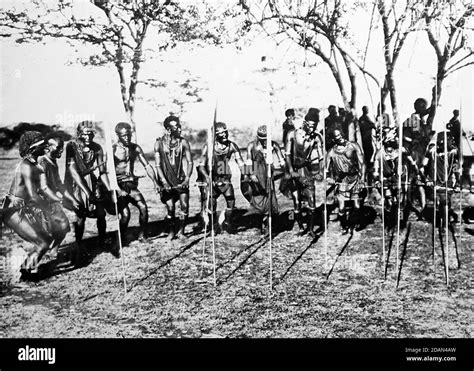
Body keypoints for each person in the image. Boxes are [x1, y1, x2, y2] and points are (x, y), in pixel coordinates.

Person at [1, 132, 66, 275]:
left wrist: (59, 200)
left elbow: (44, 188)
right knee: (42, 243)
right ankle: (24, 275)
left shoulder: (37, 165)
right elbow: (33, 195)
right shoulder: (26, 165)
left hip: (24, 208)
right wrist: (49, 212)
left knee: (46, 240)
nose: (46, 147)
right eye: (42, 145)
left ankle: (26, 270)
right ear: (32, 148)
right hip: (13, 210)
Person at [64, 121, 111, 244]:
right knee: (81, 216)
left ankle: (102, 239)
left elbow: (102, 172)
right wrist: (88, 193)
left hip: (92, 182)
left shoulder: (97, 148)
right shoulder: (72, 146)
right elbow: (73, 172)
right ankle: (78, 244)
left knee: (101, 213)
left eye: (91, 134)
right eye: (85, 134)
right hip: (77, 184)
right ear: (79, 134)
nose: (88, 137)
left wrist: (110, 189)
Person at [280, 108, 324, 236]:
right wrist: (290, 170)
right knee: (297, 201)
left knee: (311, 200)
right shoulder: (292, 134)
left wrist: (319, 171)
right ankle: (300, 227)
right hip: (294, 169)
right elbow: (287, 154)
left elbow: (320, 157)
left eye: (314, 126)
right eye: (310, 126)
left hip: (308, 170)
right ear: (305, 123)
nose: (312, 129)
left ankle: (310, 229)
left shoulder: (317, 137)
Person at [113, 122, 160, 242]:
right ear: (118, 135)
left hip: (131, 185)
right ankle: (121, 239)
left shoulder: (135, 148)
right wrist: (117, 189)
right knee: (125, 215)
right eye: (124, 136)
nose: (127, 138)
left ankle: (142, 235)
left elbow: (147, 166)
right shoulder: (113, 150)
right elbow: (107, 173)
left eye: (129, 135)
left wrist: (155, 182)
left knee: (143, 207)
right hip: (119, 185)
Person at [38, 133, 80, 258]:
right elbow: (44, 187)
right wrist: (60, 199)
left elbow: (59, 184)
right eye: (58, 147)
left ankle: (53, 250)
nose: (61, 150)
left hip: (51, 201)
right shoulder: (42, 163)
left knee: (64, 226)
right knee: (47, 232)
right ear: (48, 148)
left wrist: (72, 199)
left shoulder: (53, 162)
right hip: (40, 201)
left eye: (62, 147)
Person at [198, 122, 245, 234]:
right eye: (220, 133)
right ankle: (213, 226)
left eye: (225, 132)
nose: (224, 135)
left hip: (225, 178)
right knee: (211, 204)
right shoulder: (208, 147)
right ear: (215, 135)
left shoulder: (232, 146)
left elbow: (241, 163)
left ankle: (227, 223)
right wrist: (207, 178)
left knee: (231, 201)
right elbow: (201, 166)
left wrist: (247, 173)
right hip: (212, 179)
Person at [154, 115, 193, 239]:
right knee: (170, 208)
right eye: (177, 127)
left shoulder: (183, 142)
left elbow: (190, 162)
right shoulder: (158, 143)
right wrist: (164, 182)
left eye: (180, 126)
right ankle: (171, 231)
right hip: (166, 180)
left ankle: (181, 232)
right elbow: (157, 165)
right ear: (168, 129)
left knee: (184, 207)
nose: (180, 129)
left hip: (180, 179)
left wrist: (187, 178)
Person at [242, 125, 285, 235]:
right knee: (259, 199)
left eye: (267, 139)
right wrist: (251, 174)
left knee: (270, 197)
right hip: (257, 173)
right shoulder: (252, 145)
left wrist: (286, 168)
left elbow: (281, 159)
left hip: (269, 173)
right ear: (258, 137)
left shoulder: (274, 145)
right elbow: (248, 162)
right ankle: (259, 222)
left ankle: (268, 226)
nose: (266, 141)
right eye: (263, 139)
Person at [326, 129, 366, 232]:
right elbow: (325, 169)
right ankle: (344, 225)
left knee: (357, 205)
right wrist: (328, 178)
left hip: (354, 178)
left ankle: (356, 223)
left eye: (340, 134)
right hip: (342, 180)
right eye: (336, 136)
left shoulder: (353, 145)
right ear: (333, 139)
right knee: (342, 207)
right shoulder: (331, 152)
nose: (340, 137)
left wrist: (362, 179)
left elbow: (362, 163)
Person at [402, 97, 434, 212]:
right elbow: (404, 135)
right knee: (412, 177)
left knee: (421, 177)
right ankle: (408, 202)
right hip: (414, 152)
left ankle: (422, 203)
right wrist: (413, 141)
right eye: (422, 106)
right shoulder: (412, 120)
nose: (424, 109)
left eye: (424, 106)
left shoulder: (421, 120)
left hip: (422, 151)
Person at [422, 132, 460, 224]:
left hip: (448, 180)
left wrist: (458, 183)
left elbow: (457, 169)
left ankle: (445, 224)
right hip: (434, 180)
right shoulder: (431, 151)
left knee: (445, 201)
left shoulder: (453, 152)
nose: (451, 144)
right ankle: (442, 214)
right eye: (449, 142)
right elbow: (422, 167)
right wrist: (426, 179)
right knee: (438, 200)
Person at [359, 106, 377, 184]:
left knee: (368, 157)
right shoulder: (364, 119)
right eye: (366, 110)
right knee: (368, 159)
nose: (367, 111)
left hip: (367, 141)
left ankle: (368, 174)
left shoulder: (362, 119)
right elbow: (373, 125)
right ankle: (368, 173)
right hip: (365, 141)